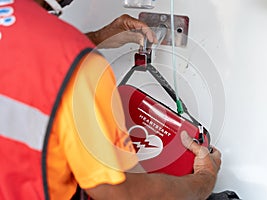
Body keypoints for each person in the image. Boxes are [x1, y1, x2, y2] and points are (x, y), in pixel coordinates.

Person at [0, 0, 222, 199]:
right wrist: (203, 180)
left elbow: (23, 56)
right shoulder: (81, 67)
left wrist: (97, 38)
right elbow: (120, 194)